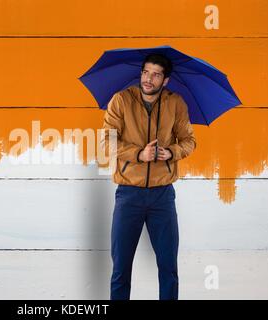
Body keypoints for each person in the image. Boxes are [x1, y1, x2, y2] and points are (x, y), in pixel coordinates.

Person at [101, 53, 197, 300]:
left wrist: (171, 152)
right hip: (128, 195)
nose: (148, 79)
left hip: (162, 197)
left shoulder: (176, 103)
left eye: (156, 74)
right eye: (145, 72)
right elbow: (105, 143)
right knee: (121, 268)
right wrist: (138, 154)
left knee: (168, 268)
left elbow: (189, 141)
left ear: (165, 80)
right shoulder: (121, 101)